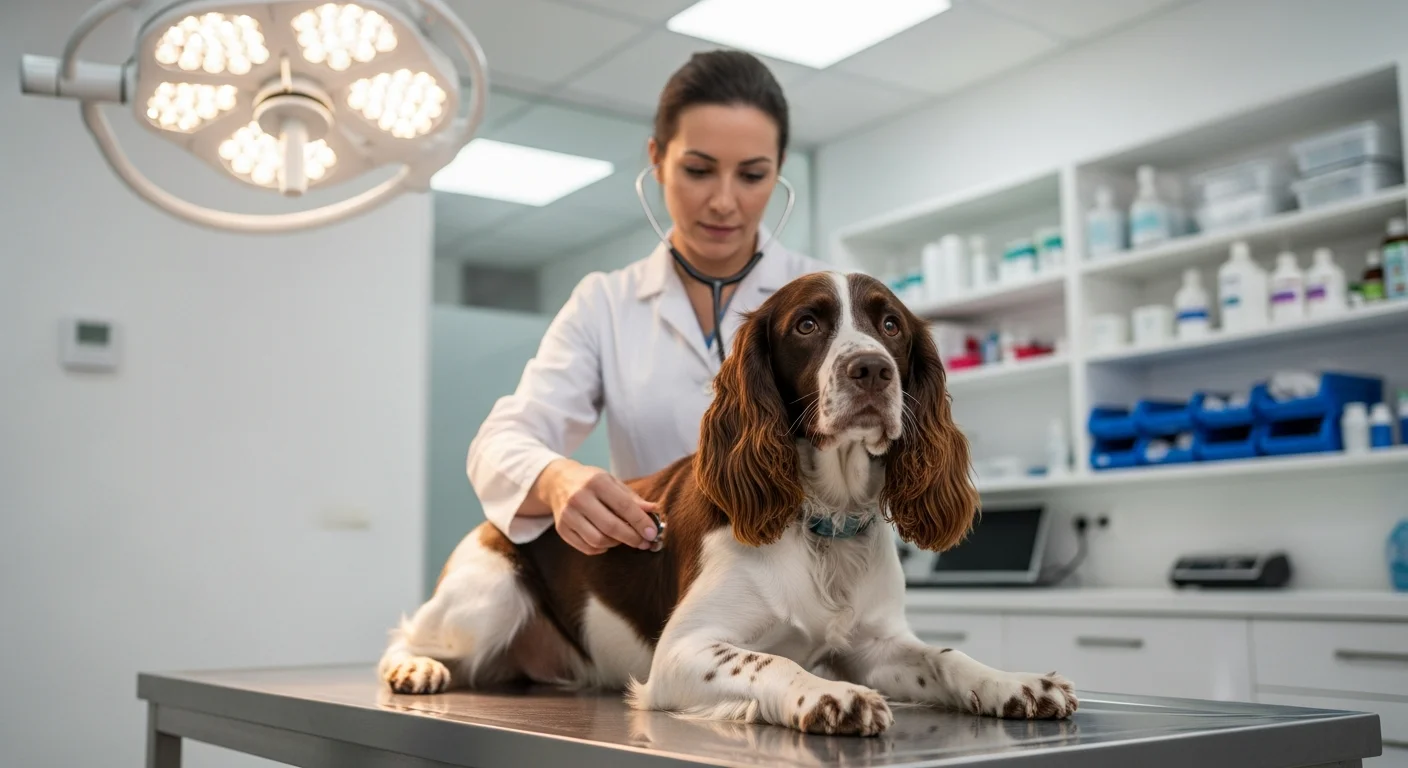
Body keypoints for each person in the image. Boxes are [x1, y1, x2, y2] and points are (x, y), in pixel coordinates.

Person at [467, 50, 826, 556]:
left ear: (779, 170)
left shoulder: (827, 299)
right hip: (660, 577)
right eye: (698, 170)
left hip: (803, 576)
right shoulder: (606, 304)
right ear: (657, 160)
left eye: (751, 176)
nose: (724, 202)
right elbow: (499, 444)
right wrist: (555, 479)